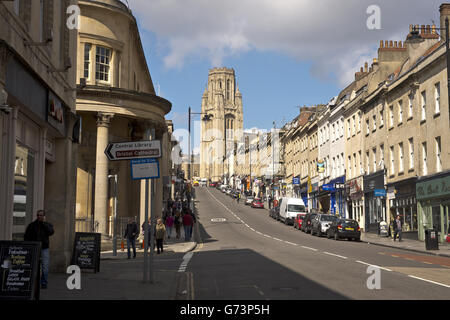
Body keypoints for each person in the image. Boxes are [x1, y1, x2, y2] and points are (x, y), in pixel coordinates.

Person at [24, 210, 54, 289]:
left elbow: (51, 232)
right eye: (38, 215)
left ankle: (43, 282)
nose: (39, 217)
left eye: (41, 215)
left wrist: (43, 224)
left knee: (45, 266)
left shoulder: (47, 225)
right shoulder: (32, 225)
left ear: (44, 216)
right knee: (34, 265)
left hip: (44, 248)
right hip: (35, 248)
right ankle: (32, 282)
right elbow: (26, 237)